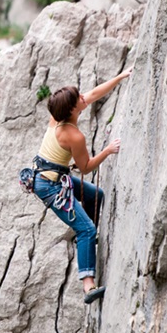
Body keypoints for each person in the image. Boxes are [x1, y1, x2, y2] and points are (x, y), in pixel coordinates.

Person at [32, 68, 132, 304]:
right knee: (86, 229)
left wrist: (120, 77)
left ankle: (86, 239)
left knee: (94, 195)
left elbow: (94, 94)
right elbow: (86, 167)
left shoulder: (58, 116)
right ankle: (88, 286)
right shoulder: (73, 136)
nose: (83, 98)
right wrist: (108, 151)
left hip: (50, 177)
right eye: (78, 98)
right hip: (50, 187)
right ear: (72, 110)